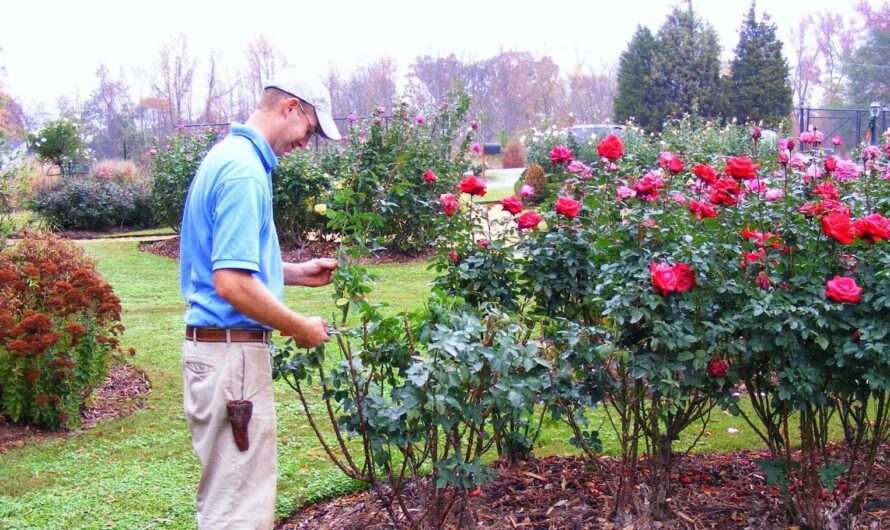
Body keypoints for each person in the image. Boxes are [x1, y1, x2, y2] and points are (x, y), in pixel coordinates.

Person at [179, 69, 341, 529]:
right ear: (290, 107)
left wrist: (290, 273)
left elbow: (224, 265)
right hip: (233, 362)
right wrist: (298, 327)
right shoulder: (244, 172)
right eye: (309, 130)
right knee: (238, 511)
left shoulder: (227, 156)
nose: (305, 143)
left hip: (217, 354)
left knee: (227, 496)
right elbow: (231, 283)